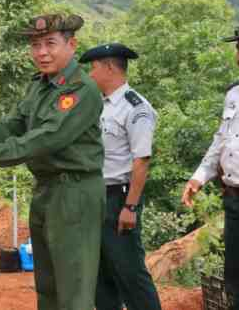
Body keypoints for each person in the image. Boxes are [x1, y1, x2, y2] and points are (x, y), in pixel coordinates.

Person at [0, 14, 105, 310]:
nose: (41, 52)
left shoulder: (81, 89)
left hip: (75, 194)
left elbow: (47, 138)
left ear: (72, 45)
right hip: (47, 190)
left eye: (50, 44)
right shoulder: (40, 85)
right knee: (47, 287)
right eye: (35, 45)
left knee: (74, 292)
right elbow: (13, 124)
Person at [79, 43, 162, 310]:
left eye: (93, 69)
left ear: (110, 67)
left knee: (129, 272)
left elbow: (142, 160)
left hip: (120, 197)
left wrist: (130, 207)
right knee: (99, 273)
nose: (90, 75)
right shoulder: (98, 105)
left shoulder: (135, 108)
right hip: (95, 196)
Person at [183, 27, 239, 308]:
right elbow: (221, 141)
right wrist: (199, 177)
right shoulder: (233, 94)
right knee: (234, 276)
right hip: (234, 198)